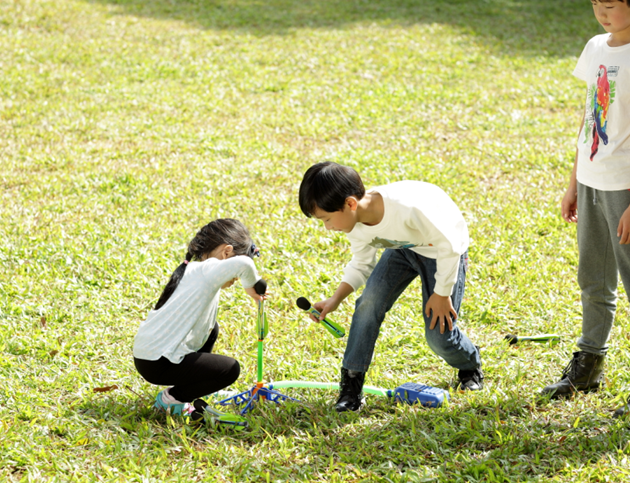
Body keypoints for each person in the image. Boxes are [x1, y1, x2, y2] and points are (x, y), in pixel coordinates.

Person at [541, 0, 630, 418]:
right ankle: (589, 362)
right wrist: (574, 181)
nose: (601, 14)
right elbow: (589, 116)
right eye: (595, 4)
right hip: (593, 181)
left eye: (610, 5)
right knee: (592, 279)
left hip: (628, 185)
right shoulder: (597, 47)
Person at [298, 161, 483, 412]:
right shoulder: (354, 223)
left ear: (350, 203)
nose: (327, 227)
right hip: (403, 250)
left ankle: (470, 363)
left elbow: (449, 246)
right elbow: (362, 263)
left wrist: (441, 294)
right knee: (368, 303)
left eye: (327, 219)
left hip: (442, 251)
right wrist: (335, 299)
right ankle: (351, 387)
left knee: (439, 336)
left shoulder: (408, 209)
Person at [132, 218, 265, 423]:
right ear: (226, 253)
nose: (236, 279)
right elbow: (244, 264)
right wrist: (251, 286)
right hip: (158, 362)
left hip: (148, 357)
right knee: (229, 370)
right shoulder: (209, 269)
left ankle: (191, 387)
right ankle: (173, 399)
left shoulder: (193, 270)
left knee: (211, 328)